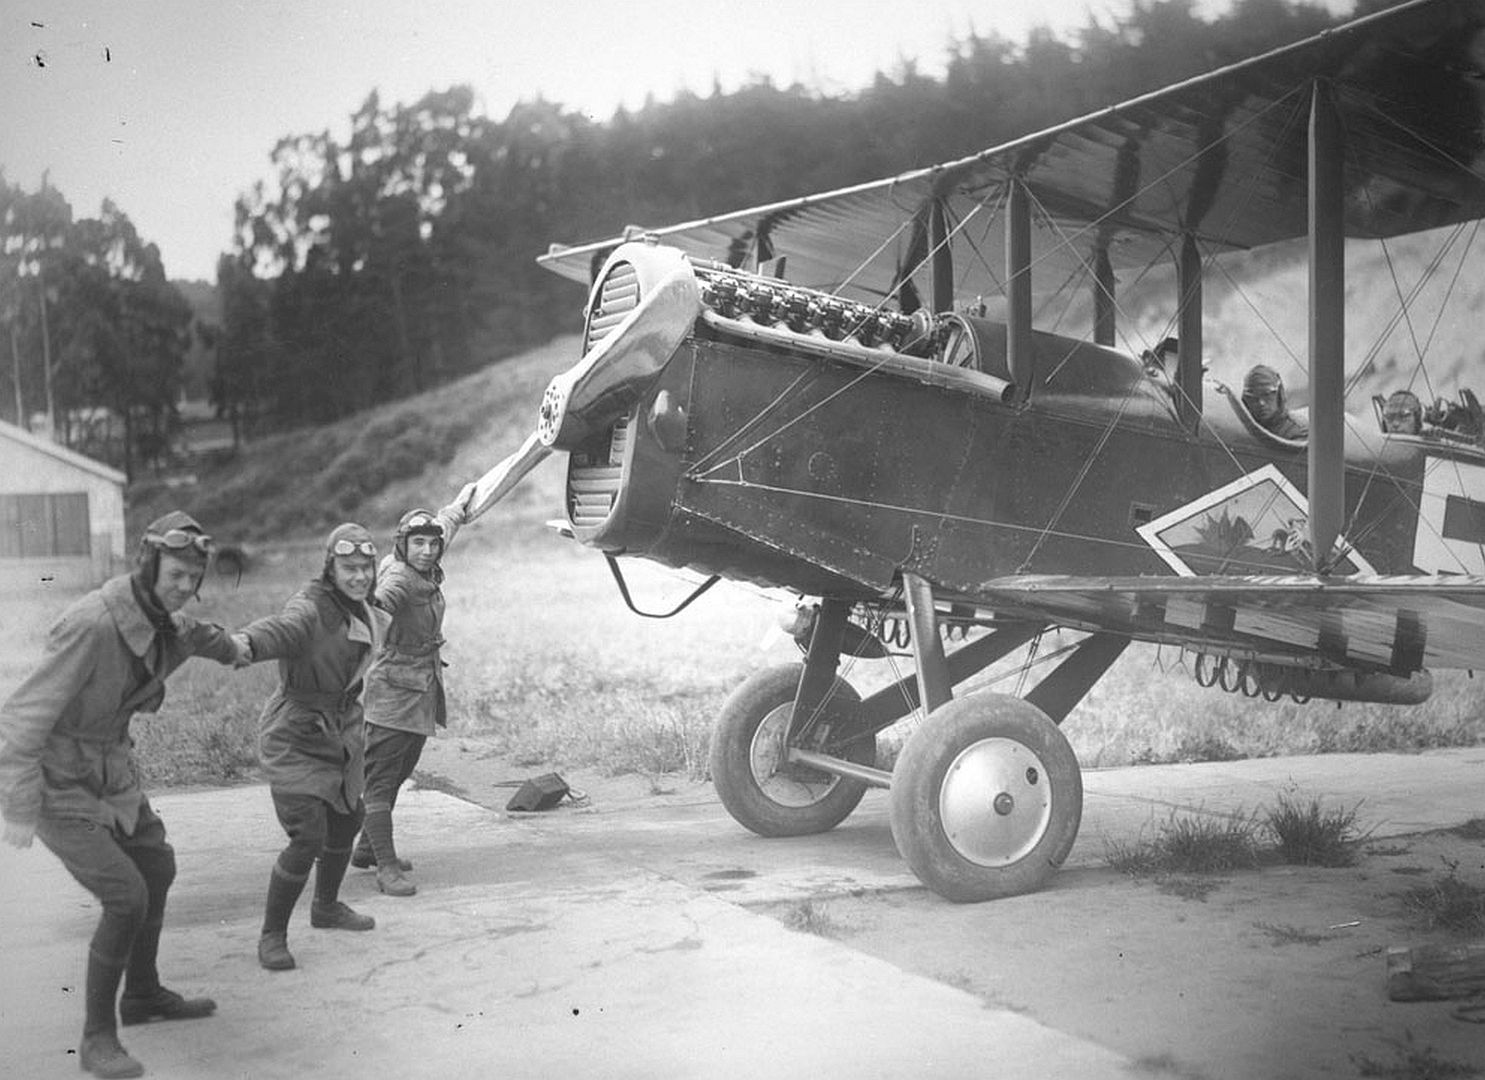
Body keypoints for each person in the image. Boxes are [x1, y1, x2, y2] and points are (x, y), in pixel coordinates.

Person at [0, 511, 248, 1079]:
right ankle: (96, 1038)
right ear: (147, 565)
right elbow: (21, 719)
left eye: (193, 578)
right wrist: (17, 806)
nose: (184, 587)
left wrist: (235, 649)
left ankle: (142, 995)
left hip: (110, 774)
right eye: (175, 574)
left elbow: (198, 635)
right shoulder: (92, 624)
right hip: (56, 784)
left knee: (156, 866)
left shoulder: (163, 620)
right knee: (126, 896)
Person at [233, 523, 390, 972]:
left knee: (349, 818)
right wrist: (245, 643)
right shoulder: (311, 607)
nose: (359, 576)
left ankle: (326, 907)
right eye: (348, 568)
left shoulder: (364, 609)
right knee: (307, 837)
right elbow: (282, 629)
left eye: (365, 568)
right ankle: (272, 936)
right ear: (330, 568)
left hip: (342, 730)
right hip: (296, 732)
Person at [351, 492, 473, 897]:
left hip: (419, 688)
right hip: (392, 692)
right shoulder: (399, 579)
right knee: (381, 782)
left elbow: (444, 529)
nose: (427, 550)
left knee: (401, 770)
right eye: (418, 543)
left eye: (432, 543)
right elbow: (378, 608)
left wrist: (456, 510)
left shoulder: (423, 563)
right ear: (402, 546)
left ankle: (367, 848)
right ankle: (386, 869)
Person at [1242, 364, 1308, 440]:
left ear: (1279, 396)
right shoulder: (1243, 428)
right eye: (1254, 398)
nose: (1261, 403)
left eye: (1267, 395)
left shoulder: (1298, 430)